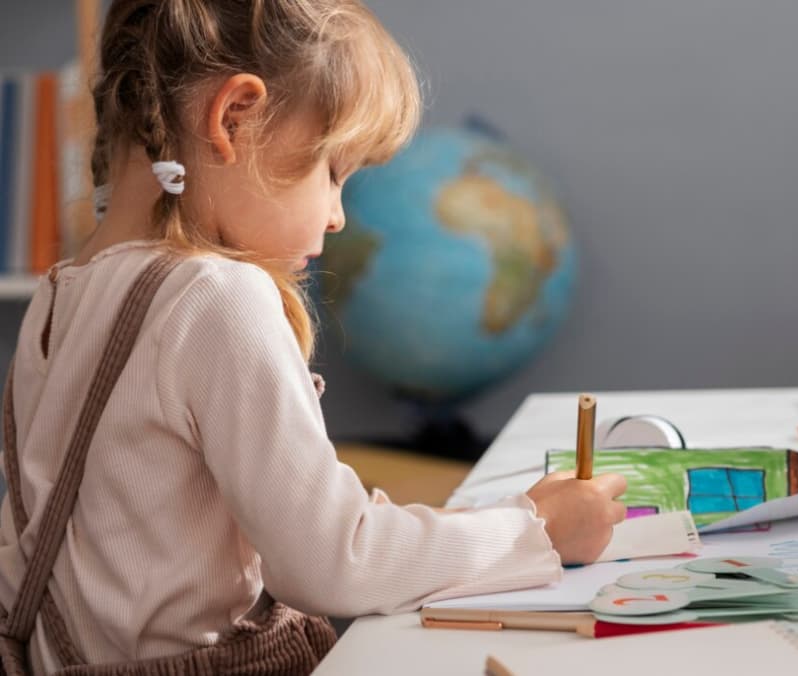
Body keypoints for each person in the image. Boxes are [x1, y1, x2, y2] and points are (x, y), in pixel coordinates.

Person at [0, 0, 627, 671]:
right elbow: (333, 561)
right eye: (331, 173)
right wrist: (533, 529)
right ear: (233, 118)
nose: (335, 216)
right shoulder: (214, 297)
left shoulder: (59, 295)